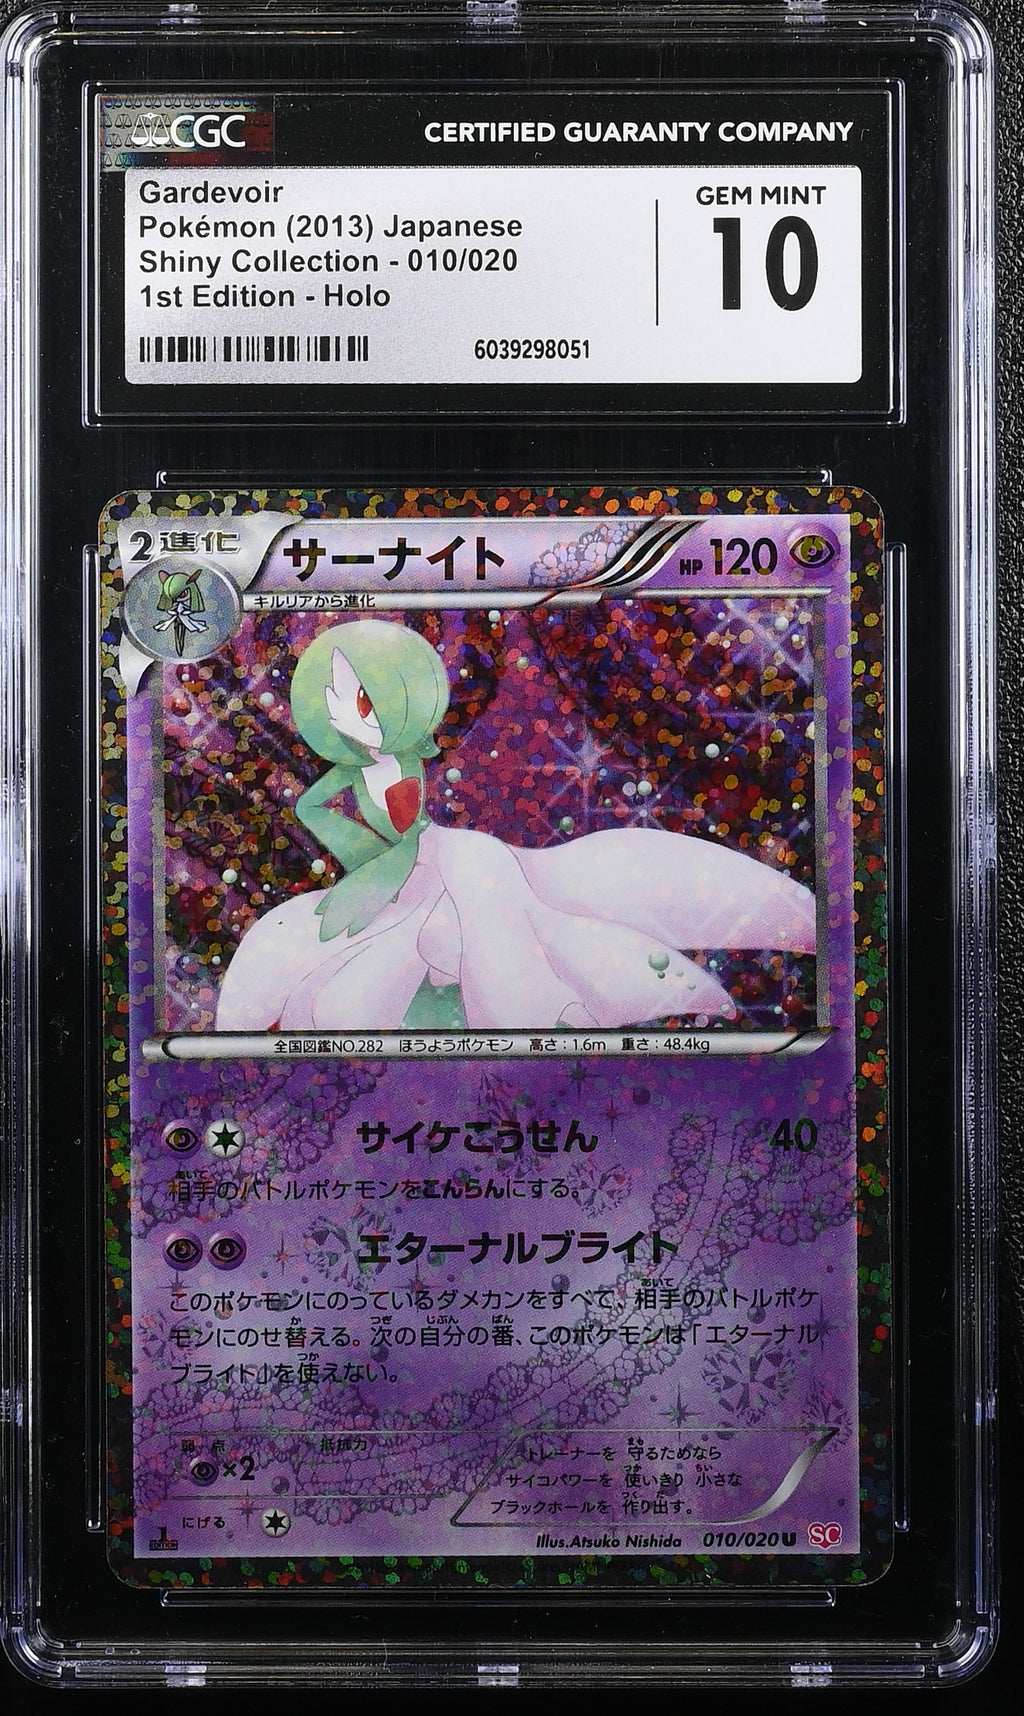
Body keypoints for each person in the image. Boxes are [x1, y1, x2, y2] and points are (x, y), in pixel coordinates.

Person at [215, 619, 816, 1032]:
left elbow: (408, 831)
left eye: (363, 701)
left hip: (439, 856)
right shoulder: (351, 774)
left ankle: (536, 1011)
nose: (346, 716)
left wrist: (382, 867)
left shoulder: (405, 763)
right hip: (402, 874)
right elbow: (315, 810)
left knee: (487, 885)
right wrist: (359, 860)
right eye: (335, 700)